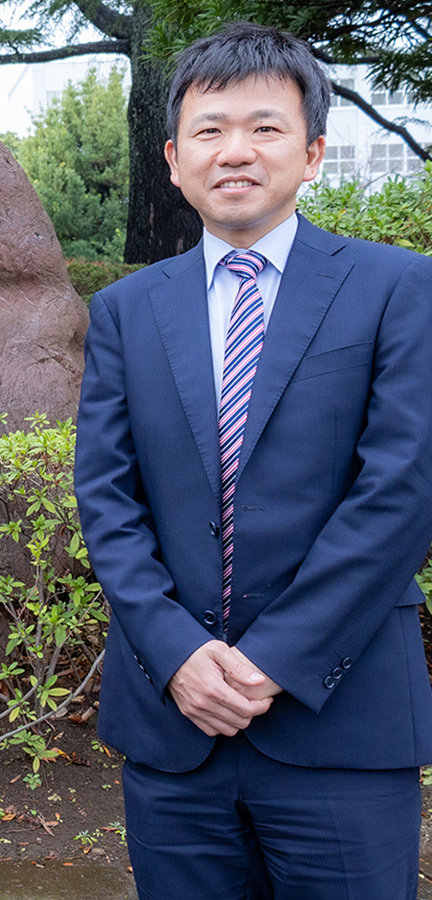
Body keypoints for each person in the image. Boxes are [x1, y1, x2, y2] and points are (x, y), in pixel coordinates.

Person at [74, 21, 432, 899]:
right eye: (210, 130)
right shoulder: (126, 310)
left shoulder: (398, 288)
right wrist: (178, 654)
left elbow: (404, 490)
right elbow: (108, 499)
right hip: (174, 730)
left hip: (340, 721)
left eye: (265, 128)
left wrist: (272, 660)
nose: (236, 151)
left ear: (311, 153)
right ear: (172, 157)